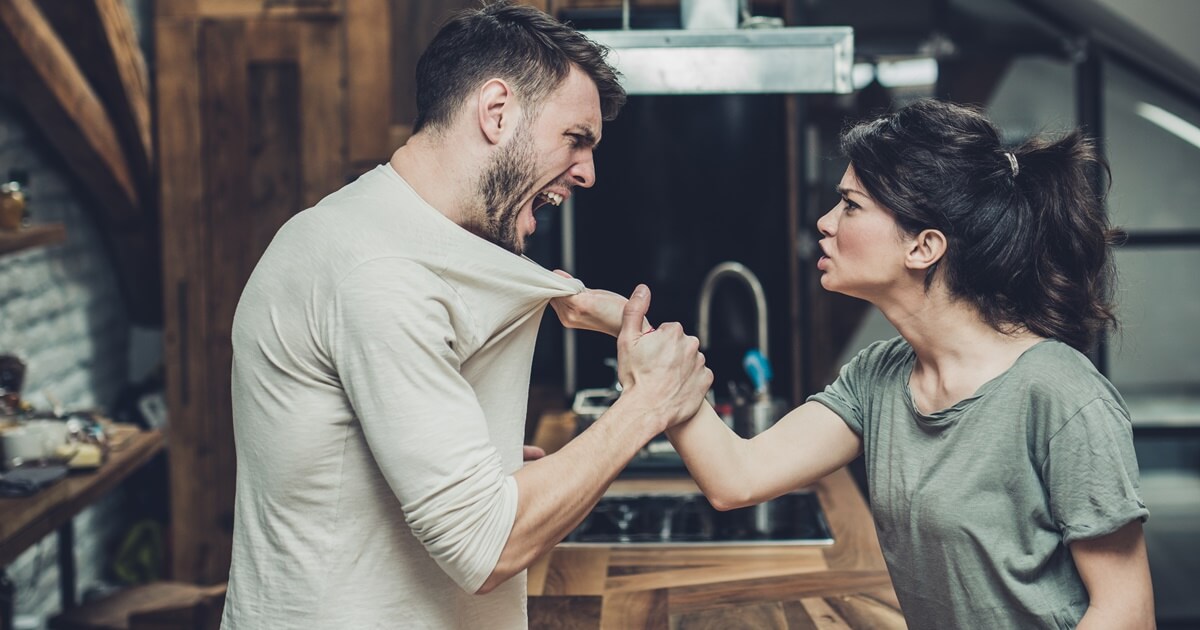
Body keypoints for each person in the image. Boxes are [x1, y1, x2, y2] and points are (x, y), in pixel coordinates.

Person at [559, 99, 1156, 628]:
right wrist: (635, 336)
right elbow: (736, 477)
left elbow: (1125, 612)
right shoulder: (881, 376)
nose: (824, 222)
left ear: (924, 247)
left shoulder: (1060, 396)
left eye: (849, 205)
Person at [220, 3, 712, 628]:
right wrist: (646, 406)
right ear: (497, 112)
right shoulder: (378, 271)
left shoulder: (377, 233)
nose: (587, 172)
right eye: (576, 138)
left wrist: (498, 480)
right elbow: (488, 547)